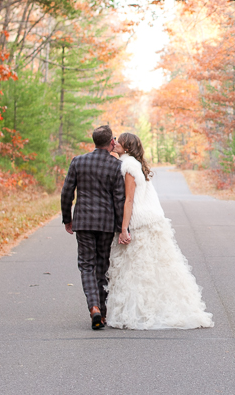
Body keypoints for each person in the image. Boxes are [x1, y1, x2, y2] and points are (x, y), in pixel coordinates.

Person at [105, 133, 213, 330]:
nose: (116, 143)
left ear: (127, 147)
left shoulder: (128, 166)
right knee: (155, 268)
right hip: (153, 219)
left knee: (137, 269)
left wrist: (123, 229)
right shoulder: (138, 164)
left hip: (139, 222)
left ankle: (141, 312)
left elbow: (129, 200)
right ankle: (157, 307)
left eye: (119, 141)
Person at [61, 125, 127, 330]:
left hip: (83, 222)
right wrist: (120, 227)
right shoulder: (116, 166)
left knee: (86, 265)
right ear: (111, 143)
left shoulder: (78, 161)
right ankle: (103, 314)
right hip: (106, 224)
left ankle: (94, 307)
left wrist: (67, 219)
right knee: (102, 265)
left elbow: (66, 193)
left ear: (94, 142)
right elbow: (119, 199)